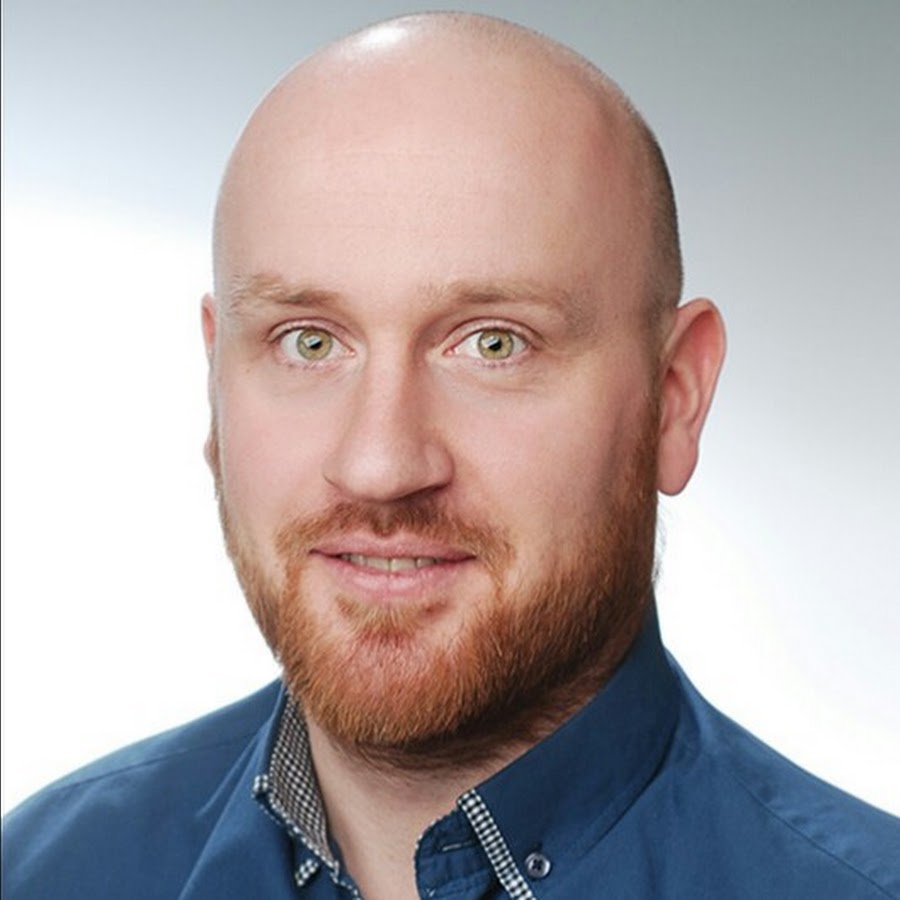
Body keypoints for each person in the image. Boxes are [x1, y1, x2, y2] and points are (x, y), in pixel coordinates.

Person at [3, 11, 897, 899]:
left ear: (675, 399)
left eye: (493, 344)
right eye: (309, 342)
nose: (380, 466)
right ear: (214, 387)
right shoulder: (44, 873)